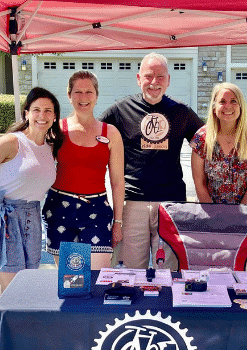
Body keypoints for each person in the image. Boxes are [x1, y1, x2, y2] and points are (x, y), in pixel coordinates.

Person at [100, 52, 204, 269]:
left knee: (167, 270)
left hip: (171, 203)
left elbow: (208, 141)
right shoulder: (120, 110)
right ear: (139, 78)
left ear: (168, 81)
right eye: (148, 76)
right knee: (132, 270)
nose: (154, 82)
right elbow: (93, 134)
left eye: (160, 77)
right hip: (132, 203)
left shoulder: (181, 112)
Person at [43, 71, 125, 270]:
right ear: (69, 95)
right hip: (59, 208)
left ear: (96, 95)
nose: (83, 97)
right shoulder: (56, 131)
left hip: (97, 209)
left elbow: (117, 181)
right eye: (78, 92)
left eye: (89, 91)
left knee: (97, 276)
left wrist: (118, 222)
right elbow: (39, 169)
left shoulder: (111, 133)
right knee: (67, 278)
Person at [0, 87, 63, 292]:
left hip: (33, 217)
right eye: (36, 110)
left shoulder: (50, 148)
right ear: (27, 113)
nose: (42, 115)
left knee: (28, 284)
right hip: (7, 217)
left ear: (54, 116)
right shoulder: (12, 142)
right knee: (11, 288)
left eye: (48, 110)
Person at [191, 83, 247, 205]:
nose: (228, 106)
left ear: (241, 106)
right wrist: (214, 217)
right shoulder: (201, 138)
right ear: (214, 107)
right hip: (209, 213)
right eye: (222, 101)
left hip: (246, 213)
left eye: (233, 101)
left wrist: (239, 216)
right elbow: (200, 185)